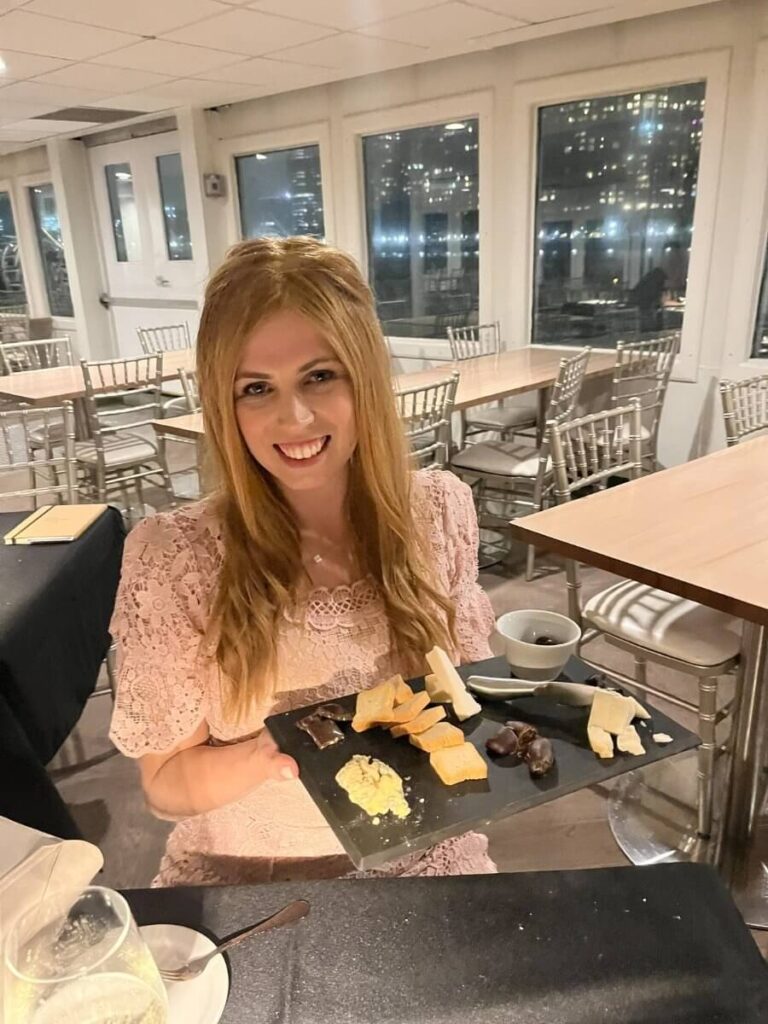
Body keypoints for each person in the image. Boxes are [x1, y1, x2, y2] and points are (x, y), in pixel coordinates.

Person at [109, 237, 497, 886]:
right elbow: (164, 785)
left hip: (426, 853)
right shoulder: (173, 557)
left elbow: (466, 701)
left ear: (364, 378)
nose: (293, 417)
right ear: (222, 405)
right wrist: (274, 753)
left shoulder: (440, 511)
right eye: (256, 388)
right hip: (252, 878)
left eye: (320, 375)